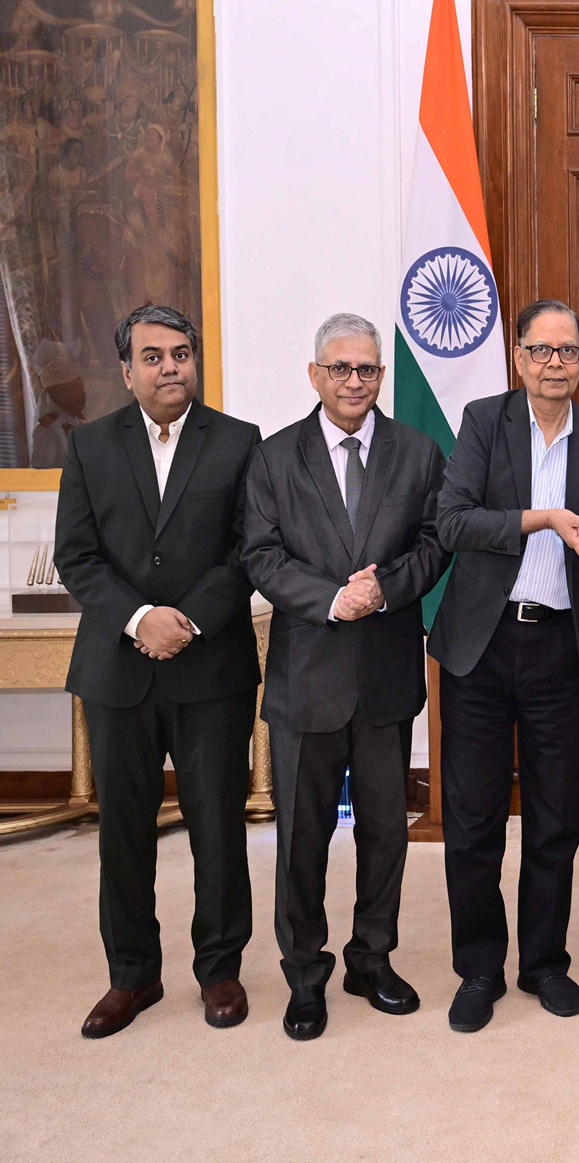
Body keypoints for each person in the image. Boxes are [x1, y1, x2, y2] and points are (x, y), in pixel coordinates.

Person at [54, 305, 262, 1038]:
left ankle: (220, 969)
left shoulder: (239, 442)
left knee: (218, 826)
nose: (170, 367)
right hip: (119, 669)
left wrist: (189, 619)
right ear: (126, 369)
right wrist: (142, 619)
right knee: (124, 833)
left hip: (212, 670)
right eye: (153, 356)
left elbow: (248, 550)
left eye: (181, 354)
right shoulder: (88, 447)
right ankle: (133, 976)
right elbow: (76, 556)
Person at [242, 313, 449, 1040]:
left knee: (385, 832)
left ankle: (372, 958)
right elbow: (260, 556)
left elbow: (434, 544)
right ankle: (306, 973)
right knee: (301, 840)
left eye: (367, 370)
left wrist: (385, 590)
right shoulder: (272, 458)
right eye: (341, 369)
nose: (355, 381)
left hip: (386, 677)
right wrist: (334, 599)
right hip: (307, 678)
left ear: (381, 376)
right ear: (315, 375)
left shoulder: (419, 452)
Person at [427, 299, 579, 1032]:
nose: (553, 365)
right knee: (474, 820)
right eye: (540, 351)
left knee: (553, 821)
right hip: (480, 649)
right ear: (518, 357)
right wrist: (538, 519)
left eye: (567, 352)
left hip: (558, 650)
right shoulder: (486, 421)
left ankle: (544, 962)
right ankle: (479, 967)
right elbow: (451, 522)